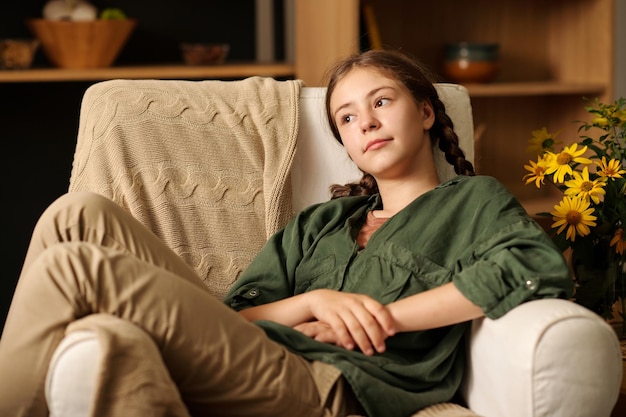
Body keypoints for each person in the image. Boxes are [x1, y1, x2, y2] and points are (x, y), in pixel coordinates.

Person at [0, 49, 573, 417]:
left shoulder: (473, 201)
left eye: (381, 101)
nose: (366, 121)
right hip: (254, 353)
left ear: (425, 112)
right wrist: (312, 302)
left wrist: (386, 316)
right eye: (347, 117)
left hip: (330, 384)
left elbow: (535, 267)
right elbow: (236, 318)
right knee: (75, 213)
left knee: (74, 267)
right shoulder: (320, 224)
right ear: (344, 143)